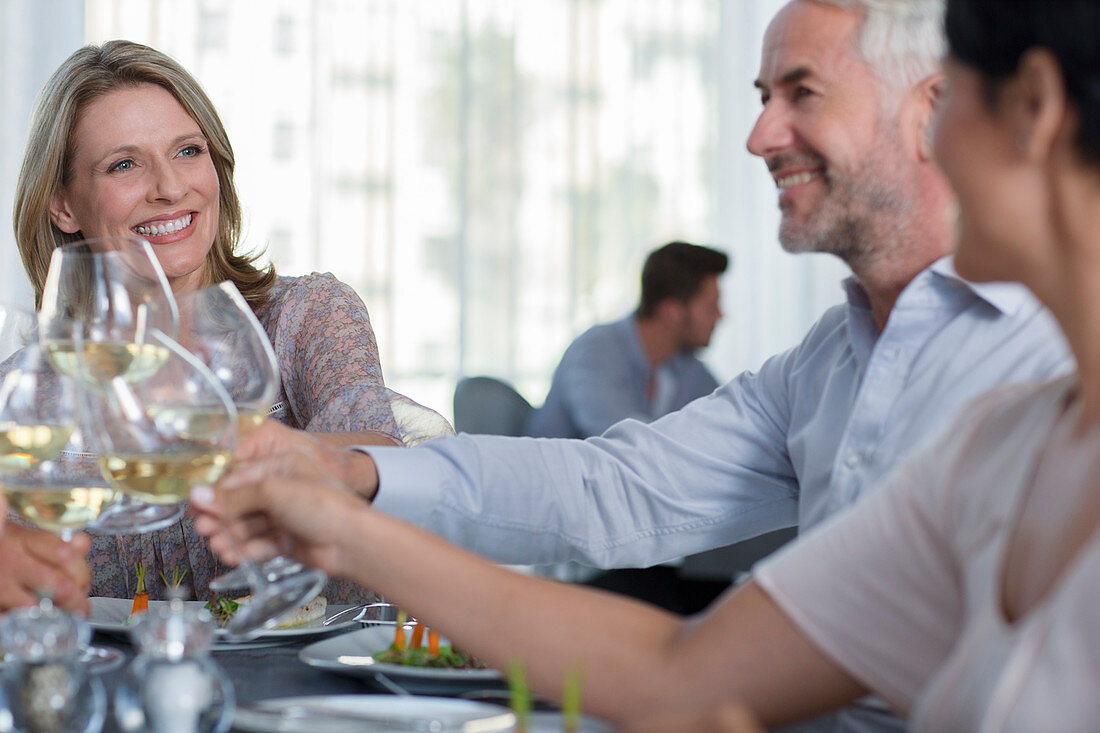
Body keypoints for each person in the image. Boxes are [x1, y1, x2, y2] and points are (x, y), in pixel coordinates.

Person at [196, 0, 1100, 724]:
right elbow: (650, 571)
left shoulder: (1010, 404)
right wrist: (353, 488)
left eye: (802, 90)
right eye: (759, 95)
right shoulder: (984, 435)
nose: (760, 137)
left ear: (1006, 110)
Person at [8, 40, 450, 603]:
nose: (170, 188)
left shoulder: (305, 315)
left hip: (303, 681)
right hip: (108, 683)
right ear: (62, 205)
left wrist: (297, 468)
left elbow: (377, 455)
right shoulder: (27, 389)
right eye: (124, 164)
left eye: (188, 152)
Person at [526, 240, 727, 440]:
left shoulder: (687, 367)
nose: (720, 316)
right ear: (671, 312)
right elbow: (630, 445)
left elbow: (726, 425)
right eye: (711, 307)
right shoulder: (594, 353)